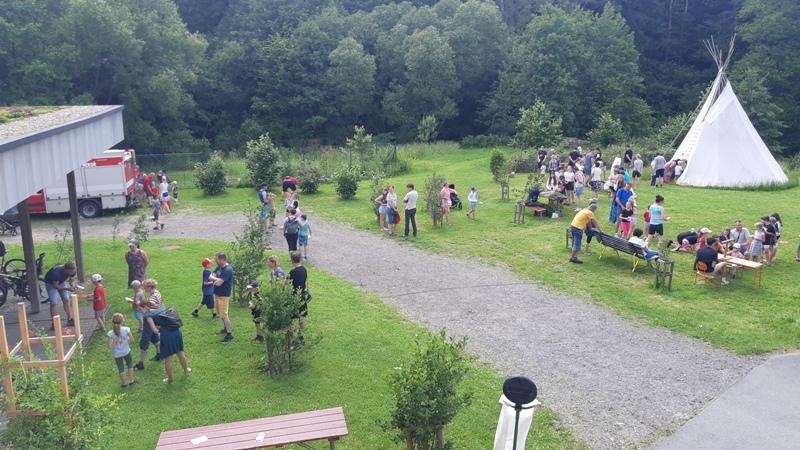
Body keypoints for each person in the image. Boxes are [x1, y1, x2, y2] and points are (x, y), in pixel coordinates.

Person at [153, 308, 191, 384]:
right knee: (180, 353)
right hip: (176, 333)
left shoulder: (151, 316)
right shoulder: (161, 309)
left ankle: (170, 379)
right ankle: (186, 370)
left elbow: (156, 330)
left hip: (167, 336)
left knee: (168, 358)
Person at [134, 279, 163, 371]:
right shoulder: (157, 293)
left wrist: (137, 306)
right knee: (154, 337)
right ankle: (159, 354)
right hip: (155, 320)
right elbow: (153, 306)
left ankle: (141, 364)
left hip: (149, 321)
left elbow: (145, 311)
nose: (143, 288)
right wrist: (144, 303)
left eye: (144, 287)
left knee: (144, 341)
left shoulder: (152, 298)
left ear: (150, 287)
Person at [208, 252, 234, 342]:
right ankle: (225, 328)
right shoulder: (219, 267)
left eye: (217, 259)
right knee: (221, 314)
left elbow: (218, 283)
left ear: (222, 259)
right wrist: (216, 279)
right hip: (217, 294)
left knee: (224, 315)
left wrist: (215, 279)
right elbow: (211, 276)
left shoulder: (228, 270)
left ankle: (229, 334)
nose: (216, 261)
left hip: (223, 296)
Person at [44, 262, 77, 328]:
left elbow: (71, 279)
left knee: (66, 299)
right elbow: (55, 286)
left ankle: (69, 319)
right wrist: (67, 289)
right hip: (50, 283)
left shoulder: (72, 271)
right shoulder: (56, 273)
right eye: (71, 272)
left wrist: (72, 285)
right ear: (66, 270)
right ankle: (54, 323)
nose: (73, 273)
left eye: (73, 271)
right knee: (53, 302)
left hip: (61, 281)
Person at [107, 313, 135, 388]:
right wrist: (126, 340)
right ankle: (131, 381)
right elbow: (132, 339)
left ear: (112, 322)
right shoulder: (126, 329)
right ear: (122, 321)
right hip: (126, 351)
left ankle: (124, 384)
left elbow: (109, 346)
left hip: (117, 354)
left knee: (121, 368)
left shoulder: (110, 333)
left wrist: (114, 342)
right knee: (130, 365)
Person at [286, 251, 309, 341]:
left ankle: (291, 334)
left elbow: (286, 283)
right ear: (300, 259)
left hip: (294, 297)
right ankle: (300, 335)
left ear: (292, 260)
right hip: (302, 295)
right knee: (301, 316)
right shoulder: (304, 269)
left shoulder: (293, 272)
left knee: (290, 317)